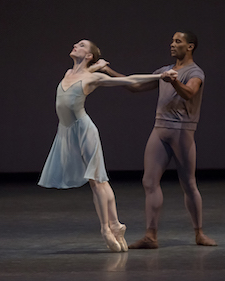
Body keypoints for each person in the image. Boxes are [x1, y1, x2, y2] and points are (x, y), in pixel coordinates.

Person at [38, 39, 178, 252]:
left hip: (84, 131)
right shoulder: (70, 73)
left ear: (88, 55)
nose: (76, 45)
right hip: (67, 132)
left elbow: (130, 81)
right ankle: (115, 225)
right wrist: (95, 65)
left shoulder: (93, 78)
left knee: (97, 181)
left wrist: (160, 76)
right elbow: (82, 72)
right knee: (98, 182)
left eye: (82, 45)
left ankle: (106, 229)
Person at [99, 31, 217, 248]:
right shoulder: (165, 71)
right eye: (172, 41)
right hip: (160, 129)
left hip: (182, 132)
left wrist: (173, 82)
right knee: (149, 182)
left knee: (189, 183)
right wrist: (107, 71)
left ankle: (199, 233)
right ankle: (150, 236)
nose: (172, 44)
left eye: (178, 41)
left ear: (190, 47)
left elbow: (189, 92)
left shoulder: (195, 72)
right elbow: (135, 85)